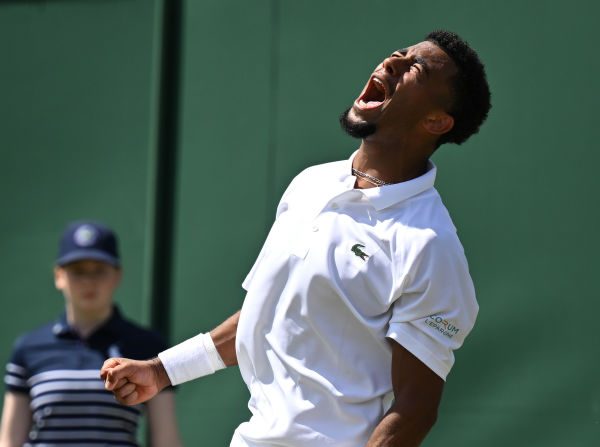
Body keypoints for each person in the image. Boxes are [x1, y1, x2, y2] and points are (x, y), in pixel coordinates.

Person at [101, 29, 491, 446]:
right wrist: (162, 371)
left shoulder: (432, 245)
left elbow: (415, 410)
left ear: (435, 121)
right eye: (399, 52)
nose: (392, 61)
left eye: (414, 67)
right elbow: (267, 313)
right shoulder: (310, 184)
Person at [0, 221, 182, 447]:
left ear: (117, 275)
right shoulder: (27, 348)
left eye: (99, 271)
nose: (88, 281)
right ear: (59, 276)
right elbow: (9, 441)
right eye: (78, 271)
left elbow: (166, 442)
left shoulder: (148, 347)